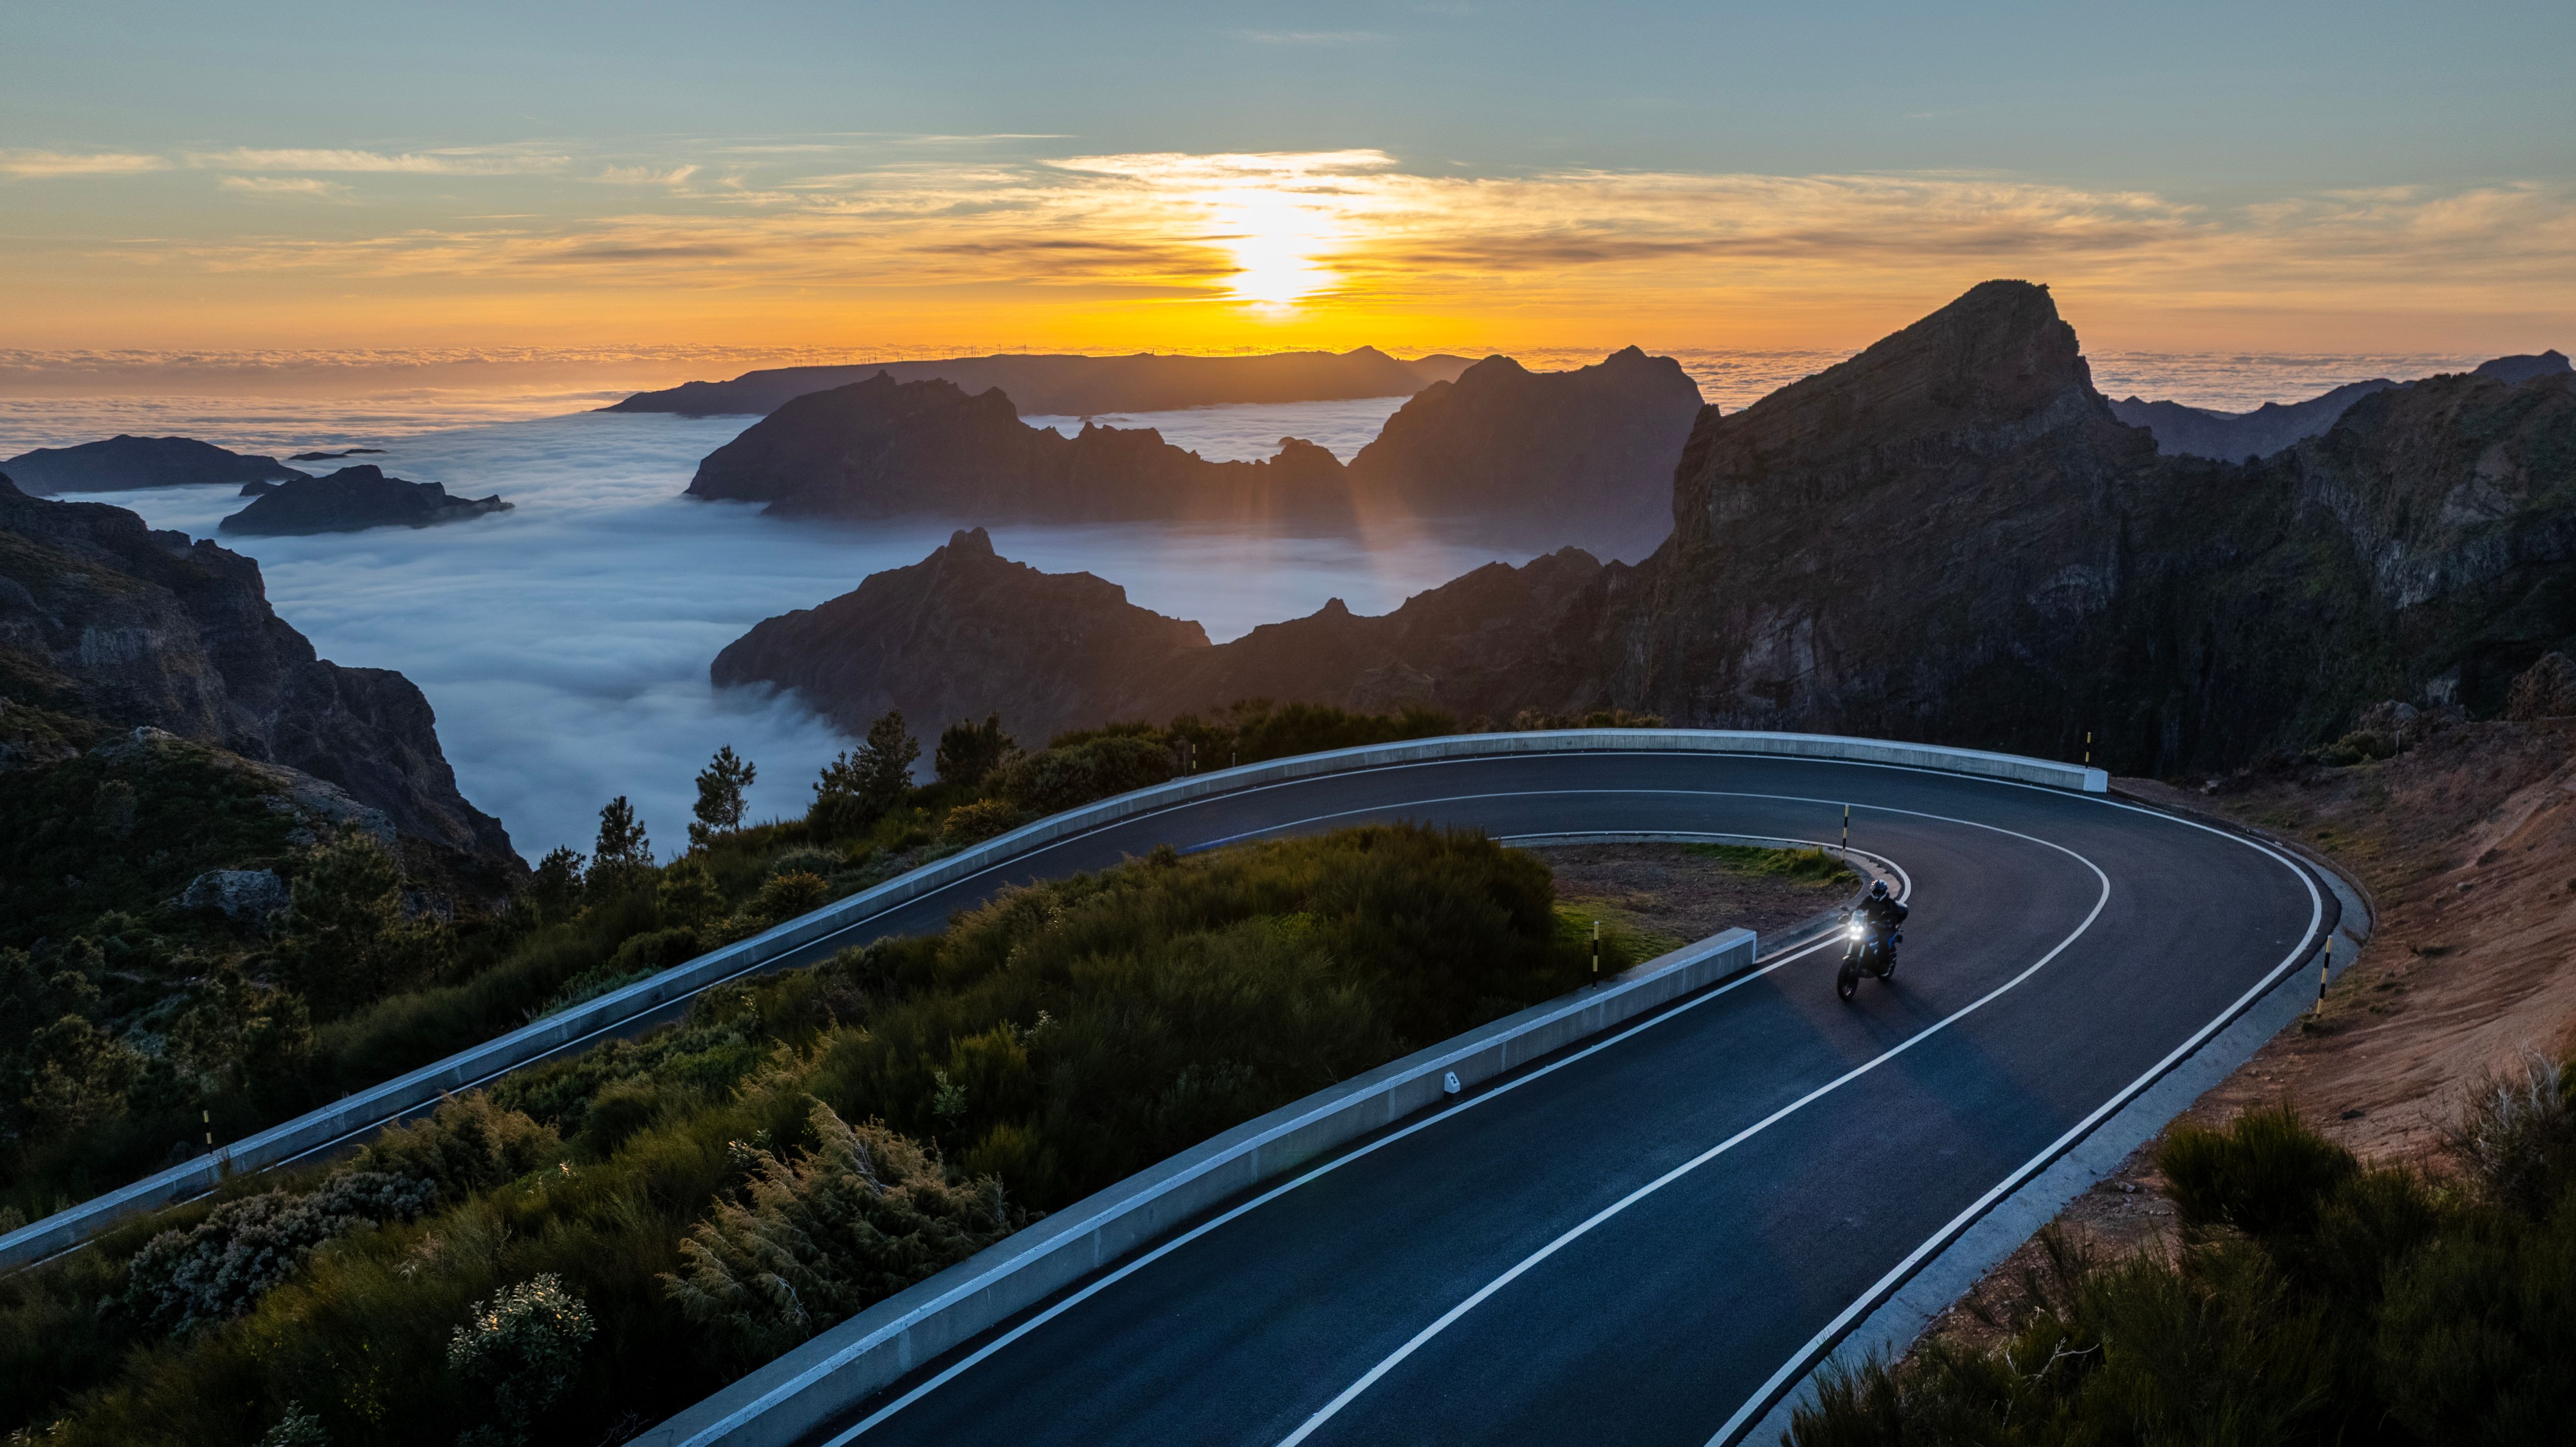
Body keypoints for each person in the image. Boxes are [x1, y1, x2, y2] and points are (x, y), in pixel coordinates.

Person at [1856, 878, 1908, 954]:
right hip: (1870, 927)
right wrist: (1850, 915)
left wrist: (1889, 922)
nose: (1878, 894)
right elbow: (1860, 908)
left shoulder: (1890, 903)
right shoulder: (1870, 900)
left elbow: (1895, 914)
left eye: (1880, 892)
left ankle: (1884, 963)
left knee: (1884, 945)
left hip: (1884, 928)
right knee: (1858, 939)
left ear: (1884, 891)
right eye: (1876, 892)